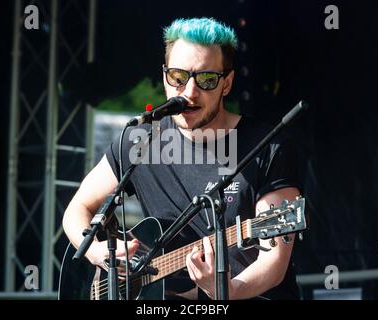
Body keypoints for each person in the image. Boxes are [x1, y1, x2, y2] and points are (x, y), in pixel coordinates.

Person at [63, 17, 302, 300]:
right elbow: (78, 207)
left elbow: (273, 262)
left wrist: (226, 290)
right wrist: (96, 252)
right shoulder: (140, 142)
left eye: (206, 80)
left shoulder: (267, 147)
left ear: (227, 84)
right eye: (178, 77)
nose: (189, 92)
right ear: (165, 76)